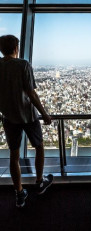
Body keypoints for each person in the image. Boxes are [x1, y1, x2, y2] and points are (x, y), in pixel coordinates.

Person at [0, 35, 53, 208]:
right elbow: (31, 93)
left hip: (8, 117)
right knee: (39, 147)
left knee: (13, 156)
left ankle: (19, 192)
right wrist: (44, 114)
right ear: (16, 47)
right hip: (28, 115)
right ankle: (39, 182)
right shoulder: (23, 64)